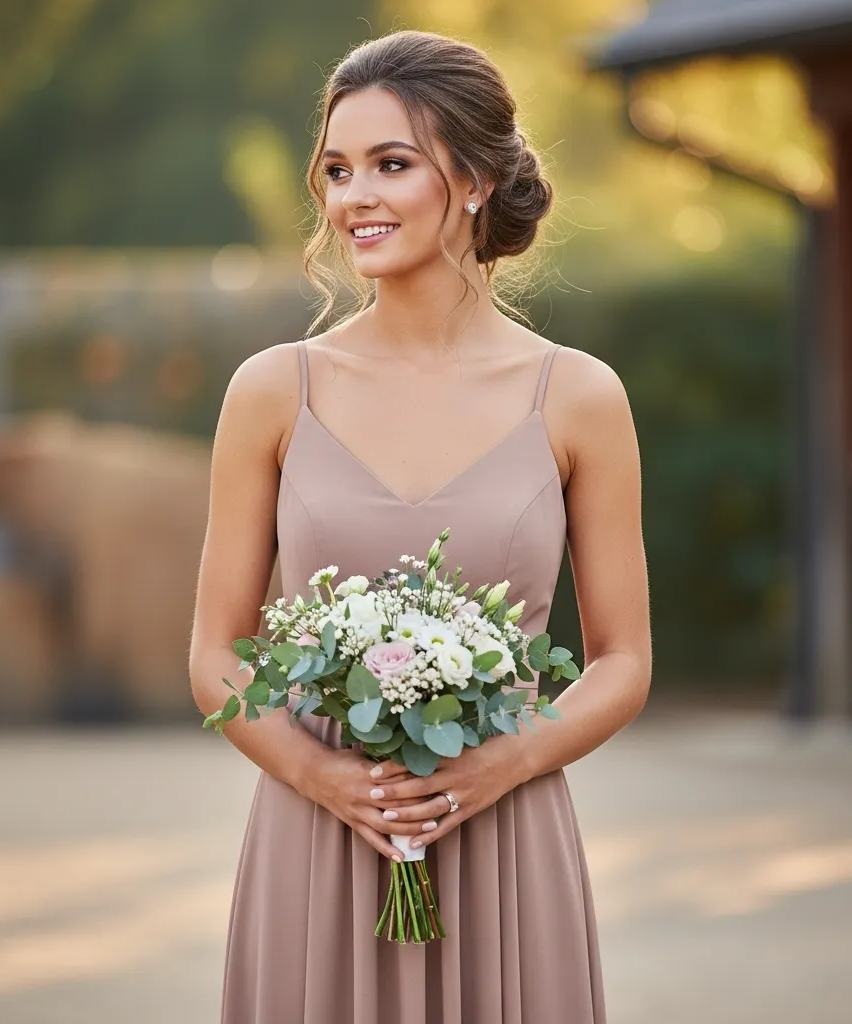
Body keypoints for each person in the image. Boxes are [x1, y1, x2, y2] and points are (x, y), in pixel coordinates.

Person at [189, 28, 651, 1024]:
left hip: (505, 833)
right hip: (316, 838)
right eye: (338, 169)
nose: (353, 197)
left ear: (477, 179)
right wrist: (325, 778)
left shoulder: (577, 397)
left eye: (391, 164)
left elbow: (622, 659)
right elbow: (215, 651)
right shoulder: (272, 392)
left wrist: (509, 757)